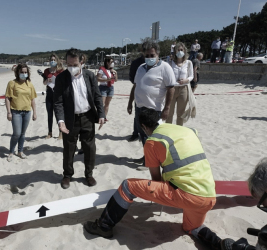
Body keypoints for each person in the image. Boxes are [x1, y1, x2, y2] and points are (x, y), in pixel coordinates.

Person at [83, 108, 234, 250]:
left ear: (144, 127)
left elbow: (156, 179)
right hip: (208, 196)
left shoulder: (152, 141)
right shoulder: (186, 130)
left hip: (187, 195)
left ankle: (103, 226)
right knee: (191, 228)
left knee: (127, 186)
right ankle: (220, 244)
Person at [53, 48, 105, 189]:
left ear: (81, 62)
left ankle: (89, 174)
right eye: (69, 64)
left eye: (75, 65)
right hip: (70, 119)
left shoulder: (89, 76)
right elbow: (57, 102)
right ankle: (67, 175)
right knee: (69, 148)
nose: (72, 68)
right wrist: (60, 121)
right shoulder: (61, 78)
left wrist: (101, 114)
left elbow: (97, 96)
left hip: (87, 116)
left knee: (89, 148)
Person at [127, 41, 175, 165]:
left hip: (155, 109)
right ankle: (146, 158)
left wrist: (167, 108)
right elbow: (136, 86)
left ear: (158, 54)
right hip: (140, 107)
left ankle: (153, 161)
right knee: (143, 135)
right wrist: (130, 102)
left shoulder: (165, 67)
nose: (149, 58)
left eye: (152, 55)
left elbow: (171, 88)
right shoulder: (140, 68)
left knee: (154, 137)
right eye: (147, 55)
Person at [5, 63, 37, 162]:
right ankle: (11, 152)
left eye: (25, 72)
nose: (24, 74)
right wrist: (9, 112)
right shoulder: (12, 83)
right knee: (16, 133)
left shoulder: (30, 84)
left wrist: (35, 112)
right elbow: (7, 98)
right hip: (16, 112)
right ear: (17, 72)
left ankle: (20, 151)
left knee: (23, 134)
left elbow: (32, 99)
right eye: (22, 72)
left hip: (27, 111)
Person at [166, 42, 194, 126]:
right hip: (172, 89)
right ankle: (168, 131)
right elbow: (166, 76)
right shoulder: (170, 63)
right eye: (178, 50)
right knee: (169, 113)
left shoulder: (188, 63)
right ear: (175, 51)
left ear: (185, 51)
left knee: (180, 114)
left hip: (184, 89)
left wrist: (186, 80)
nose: (180, 51)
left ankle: (178, 131)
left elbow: (191, 76)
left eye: (181, 50)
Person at [43, 54, 63, 140]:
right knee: (49, 113)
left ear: (57, 60)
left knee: (58, 114)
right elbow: (44, 83)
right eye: (51, 60)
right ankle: (50, 132)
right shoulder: (46, 71)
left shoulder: (60, 71)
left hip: (58, 93)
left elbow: (64, 82)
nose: (53, 61)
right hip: (49, 92)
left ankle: (61, 133)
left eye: (54, 60)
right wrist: (47, 80)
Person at [127, 52, 145, 142]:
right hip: (138, 91)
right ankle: (135, 133)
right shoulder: (136, 63)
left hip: (153, 98)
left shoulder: (159, 64)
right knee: (137, 116)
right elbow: (132, 77)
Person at [96, 56, 117, 120]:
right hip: (103, 87)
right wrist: (107, 80)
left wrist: (115, 73)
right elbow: (98, 79)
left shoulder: (112, 70)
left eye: (112, 62)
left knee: (107, 104)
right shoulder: (102, 69)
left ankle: (104, 117)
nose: (112, 63)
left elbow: (115, 80)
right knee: (102, 103)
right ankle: (99, 116)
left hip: (110, 88)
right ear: (107, 62)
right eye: (111, 62)